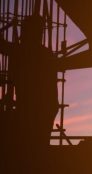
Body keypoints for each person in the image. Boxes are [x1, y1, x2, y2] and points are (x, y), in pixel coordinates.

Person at [0, 15, 59, 149]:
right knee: (38, 146)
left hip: (34, 109)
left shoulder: (27, 50)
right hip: (46, 108)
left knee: (28, 147)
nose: (22, 33)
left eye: (24, 29)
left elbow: (5, 47)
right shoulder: (46, 53)